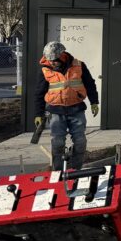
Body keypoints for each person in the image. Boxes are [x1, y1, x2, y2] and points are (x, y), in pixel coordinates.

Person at [33, 41, 99, 171]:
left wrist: (94, 102)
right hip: (56, 111)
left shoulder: (79, 66)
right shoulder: (45, 71)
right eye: (49, 60)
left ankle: (75, 170)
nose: (52, 62)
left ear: (62, 56)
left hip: (76, 109)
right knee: (57, 143)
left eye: (54, 60)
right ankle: (58, 172)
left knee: (80, 142)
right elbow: (39, 93)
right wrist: (38, 114)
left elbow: (90, 84)